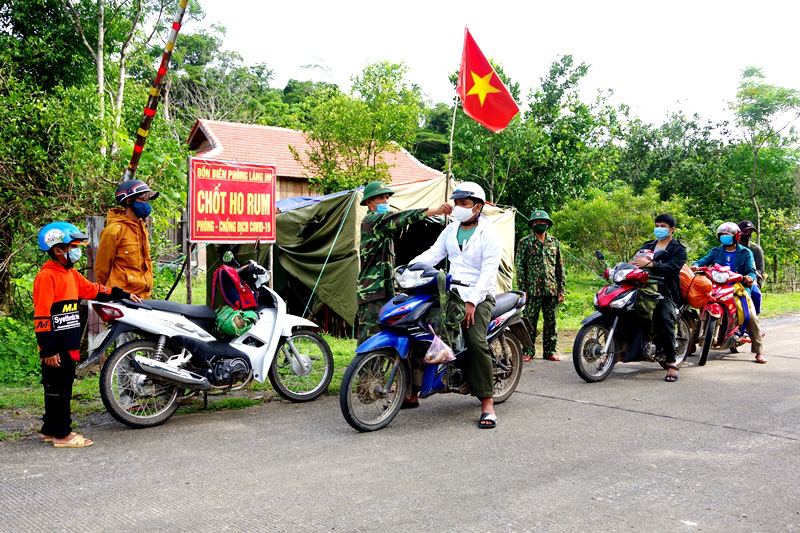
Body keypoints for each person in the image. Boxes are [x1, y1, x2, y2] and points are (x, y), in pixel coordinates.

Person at [34, 222, 143, 448]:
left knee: (60, 387)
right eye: (73, 246)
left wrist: (123, 294)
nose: (77, 251)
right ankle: (62, 435)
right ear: (58, 250)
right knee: (58, 390)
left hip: (68, 343)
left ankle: (49, 428)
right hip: (55, 346)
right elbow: (42, 317)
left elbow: (95, 290)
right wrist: (48, 349)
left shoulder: (71, 274)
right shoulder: (47, 277)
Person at [410, 182, 503, 429]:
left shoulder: (490, 234)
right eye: (456, 203)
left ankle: (487, 403)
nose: (458, 208)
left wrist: (472, 301)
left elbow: (488, 273)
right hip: (450, 293)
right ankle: (411, 391)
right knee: (420, 331)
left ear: (478, 207)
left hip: (479, 296)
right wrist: (409, 268)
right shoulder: (450, 230)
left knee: (475, 341)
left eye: (463, 204)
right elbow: (432, 254)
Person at [356, 181, 452, 345]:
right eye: (380, 198)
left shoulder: (384, 227)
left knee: (383, 339)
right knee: (369, 340)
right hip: (371, 291)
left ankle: (380, 370)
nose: (386, 201)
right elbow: (403, 217)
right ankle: (363, 371)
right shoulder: (373, 220)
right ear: (369, 203)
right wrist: (435, 211)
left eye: (387, 197)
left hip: (383, 291)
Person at [691, 222, 766, 364]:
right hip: (716, 286)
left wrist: (749, 277)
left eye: (728, 235)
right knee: (701, 306)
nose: (725, 237)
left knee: (749, 315)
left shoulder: (746, 252)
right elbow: (704, 261)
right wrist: (696, 265)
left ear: (736, 236)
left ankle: (759, 351)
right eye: (722, 235)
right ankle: (690, 344)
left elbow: (751, 270)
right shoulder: (715, 251)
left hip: (739, 288)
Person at [630, 214, 687, 382]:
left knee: (664, 318)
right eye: (657, 225)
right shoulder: (648, 245)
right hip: (643, 288)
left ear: (671, 229)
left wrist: (652, 264)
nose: (659, 228)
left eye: (663, 226)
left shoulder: (678, 249)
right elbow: (635, 262)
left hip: (666, 290)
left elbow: (673, 267)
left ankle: (671, 363)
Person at [515, 209, 566, 362]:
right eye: (536, 223)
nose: (539, 225)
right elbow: (520, 267)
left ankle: (550, 351)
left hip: (551, 289)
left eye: (542, 222)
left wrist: (561, 290)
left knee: (551, 322)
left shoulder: (554, 242)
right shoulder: (525, 243)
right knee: (530, 322)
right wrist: (523, 290)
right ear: (532, 225)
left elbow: (559, 267)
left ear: (547, 225)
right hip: (532, 290)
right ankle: (528, 351)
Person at [95, 179, 158, 299]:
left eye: (147, 200)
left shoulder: (142, 227)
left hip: (143, 297)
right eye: (142, 199)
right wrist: (108, 295)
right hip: (122, 298)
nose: (146, 204)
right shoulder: (113, 231)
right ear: (129, 201)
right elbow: (102, 269)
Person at [738, 220, 764, 314]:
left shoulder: (755, 249)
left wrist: (751, 276)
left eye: (750, 232)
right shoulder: (729, 247)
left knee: (756, 294)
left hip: (749, 280)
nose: (748, 234)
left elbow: (760, 269)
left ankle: (754, 319)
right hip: (730, 278)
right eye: (745, 232)